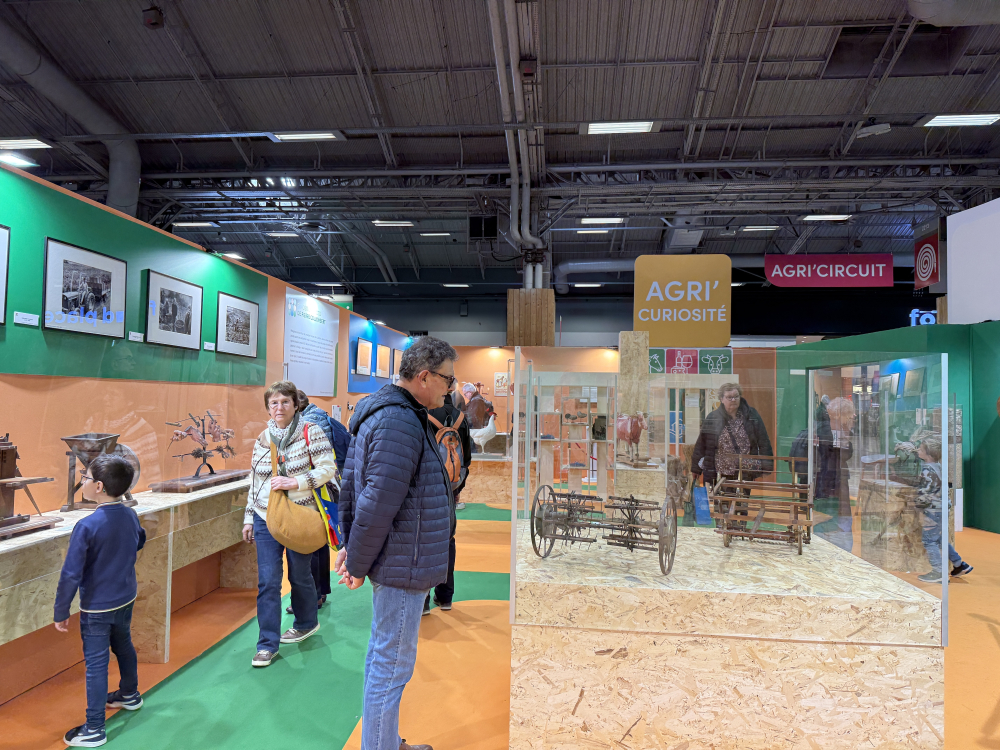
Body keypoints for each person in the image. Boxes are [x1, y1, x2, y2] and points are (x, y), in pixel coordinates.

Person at [337, 336, 457, 750]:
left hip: (402, 557)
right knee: (391, 666)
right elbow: (376, 501)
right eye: (446, 379)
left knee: (385, 658)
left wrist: (353, 548)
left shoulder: (395, 414)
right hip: (402, 563)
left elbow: (358, 488)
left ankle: (386, 740)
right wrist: (356, 561)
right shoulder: (399, 421)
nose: (450, 388)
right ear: (423, 376)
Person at [242, 381, 337, 668]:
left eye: (285, 401)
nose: (279, 407)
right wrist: (249, 517)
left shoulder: (311, 431)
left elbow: (328, 468)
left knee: (299, 574)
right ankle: (266, 644)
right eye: (273, 403)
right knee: (268, 581)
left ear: (295, 405)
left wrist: (295, 482)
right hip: (265, 517)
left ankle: (306, 622)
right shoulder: (262, 438)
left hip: (300, 515)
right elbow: (255, 483)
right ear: (267, 408)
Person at [53, 454, 145, 748]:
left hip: (97, 608)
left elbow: (71, 573)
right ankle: (129, 694)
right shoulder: (130, 514)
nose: (83, 481)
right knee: (124, 644)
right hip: (126, 596)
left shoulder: (87, 526)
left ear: (99, 487)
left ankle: (94, 728)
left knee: (96, 664)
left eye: (86, 477)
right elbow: (140, 540)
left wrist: (61, 610)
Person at [286, 391, 348, 614]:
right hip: (324, 490)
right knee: (319, 542)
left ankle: (310, 596)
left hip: (311, 491)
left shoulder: (308, 425)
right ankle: (319, 593)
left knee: (307, 547)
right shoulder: (321, 417)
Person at [691, 383, 773, 520]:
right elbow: (702, 444)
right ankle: (723, 529)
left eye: (736, 396)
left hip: (745, 470)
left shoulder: (751, 415)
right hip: (720, 471)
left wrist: (767, 465)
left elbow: (763, 440)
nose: (733, 400)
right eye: (729, 397)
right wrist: (695, 468)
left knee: (741, 505)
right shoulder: (713, 418)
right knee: (721, 505)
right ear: (721, 399)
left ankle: (740, 527)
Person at [423, 388, 472, 616]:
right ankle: (445, 597)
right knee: (448, 539)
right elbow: (467, 459)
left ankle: (423, 600)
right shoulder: (461, 418)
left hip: (426, 488)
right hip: (450, 488)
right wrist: (456, 487)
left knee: (423, 541)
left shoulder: (423, 415)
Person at [915, 435, 973, 582]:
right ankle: (959, 564)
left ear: (928, 454)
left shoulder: (927, 470)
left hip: (932, 511)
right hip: (941, 509)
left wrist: (919, 509)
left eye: (920, 449)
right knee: (938, 538)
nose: (917, 451)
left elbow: (924, 494)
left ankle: (938, 571)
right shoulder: (939, 467)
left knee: (929, 540)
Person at [813, 396, 856, 552]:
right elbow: (836, 457)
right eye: (848, 415)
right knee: (831, 517)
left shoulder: (838, 429)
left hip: (835, 480)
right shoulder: (827, 430)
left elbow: (843, 454)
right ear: (839, 415)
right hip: (829, 481)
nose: (852, 418)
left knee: (840, 517)